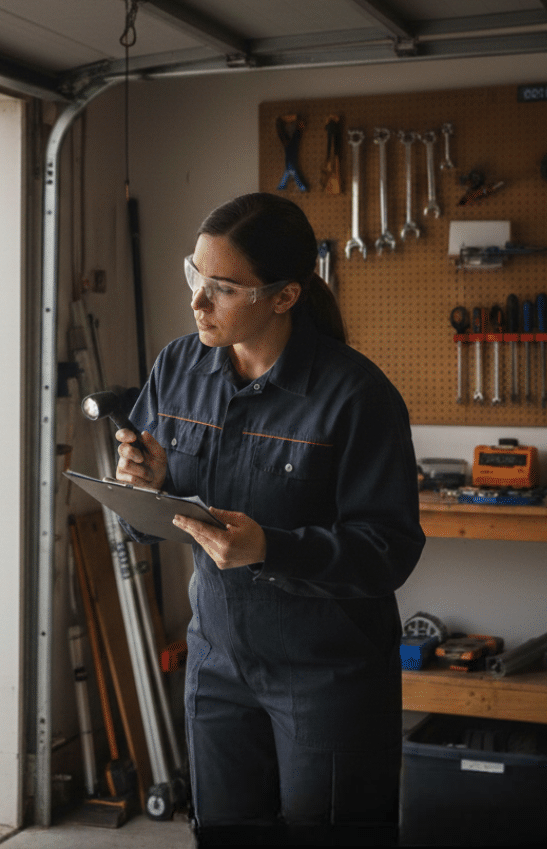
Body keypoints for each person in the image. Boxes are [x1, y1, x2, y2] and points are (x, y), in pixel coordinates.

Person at [114, 192, 424, 847]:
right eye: (195, 276)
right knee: (227, 833)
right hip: (218, 659)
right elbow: (152, 522)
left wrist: (271, 549)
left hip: (328, 674)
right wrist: (148, 486)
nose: (198, 302)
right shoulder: (178, 366)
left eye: (223, 288)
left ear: (283, 297)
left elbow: (388, 551)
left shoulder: (356, 397)